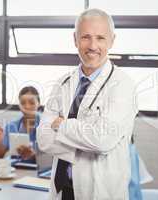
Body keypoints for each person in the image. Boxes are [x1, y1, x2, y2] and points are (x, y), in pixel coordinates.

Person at [37, 9, 139, 200]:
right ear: (75, 39)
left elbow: (103, 140)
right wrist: (87, 145)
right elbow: (43, 138)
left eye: (100, 38)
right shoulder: (63, 83)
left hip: (100, 193)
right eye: (85, 37)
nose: (93, 46)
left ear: (112, 40)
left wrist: (61, 125)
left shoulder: (123, 86)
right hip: (61, 192)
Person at [0, 86, 40, 161]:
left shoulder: (47, 126)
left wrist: (34, 156)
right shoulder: (11, 126)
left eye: (31, 102)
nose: (27, 106)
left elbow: (51, 158)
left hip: (40, 171)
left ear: (38, 104)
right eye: (23, 103)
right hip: (17, 170)